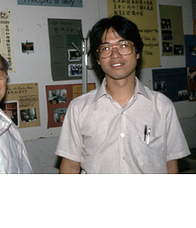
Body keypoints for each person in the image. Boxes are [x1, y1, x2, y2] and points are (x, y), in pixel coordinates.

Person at [55, 15, 190, 174]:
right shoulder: (79, 108)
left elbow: (170, 164)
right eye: (105, 48)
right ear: (97, 59)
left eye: (124, 45)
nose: (115, 55)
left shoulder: (161, 106)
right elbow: (70, 166)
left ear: (137, 52)